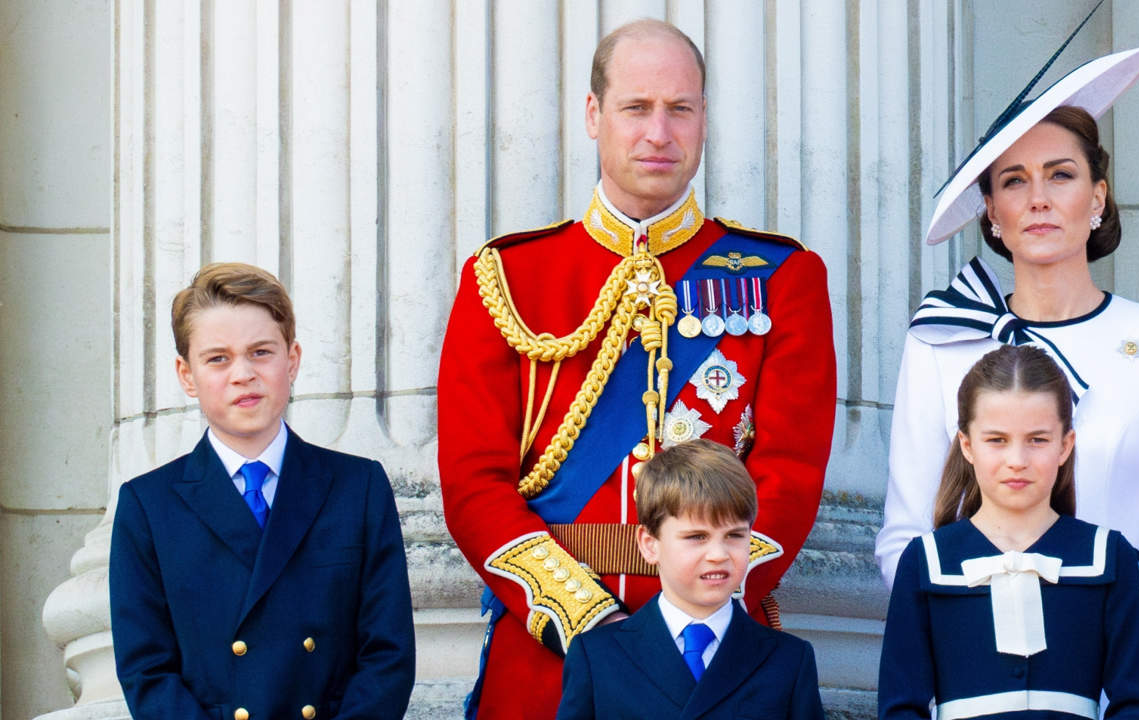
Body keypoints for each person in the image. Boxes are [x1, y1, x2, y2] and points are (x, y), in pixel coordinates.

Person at [437, 18, 836, 719]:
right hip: (547, 659)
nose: (659, 132)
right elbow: (474, 485)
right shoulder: (506, 278)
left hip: (716, 659)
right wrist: (589, 622)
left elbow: (791, 477)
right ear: (594, 115)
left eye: (680, 108)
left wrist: (696, 611)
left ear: (704, 119)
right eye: (636, 108)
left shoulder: (782, 279)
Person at [875, 42, 1139, 719]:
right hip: (972, 686)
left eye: (1060, 175)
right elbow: (902, 539)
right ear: (991, 213)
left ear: (1097, 197)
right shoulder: (941, 345)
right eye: (1013, 180)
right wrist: (963, 635)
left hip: (1120, 686)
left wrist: (1111, 636)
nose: (1037, 198)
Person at [109, 263, 416, 719]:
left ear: (291, 360)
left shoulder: (358, 488)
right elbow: (148, 672)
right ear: (186, 375)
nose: (243, 374)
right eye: (218, 358)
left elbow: (387, 657)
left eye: (260, 352)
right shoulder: (148, 507)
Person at [878, 345, 1139, 719]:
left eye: (1037, 440)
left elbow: (1135, 705)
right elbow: (900, 708)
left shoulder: (1110, 557)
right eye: (997, 440)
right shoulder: (925, 562)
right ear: (967, 445)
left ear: (1065, 445)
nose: (1017, 461)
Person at [558, 439, 823, 719]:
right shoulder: (597, 655)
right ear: (650, 544)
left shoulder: (788, 660)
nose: (718, 554)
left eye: (734, 536)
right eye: (697, 537)